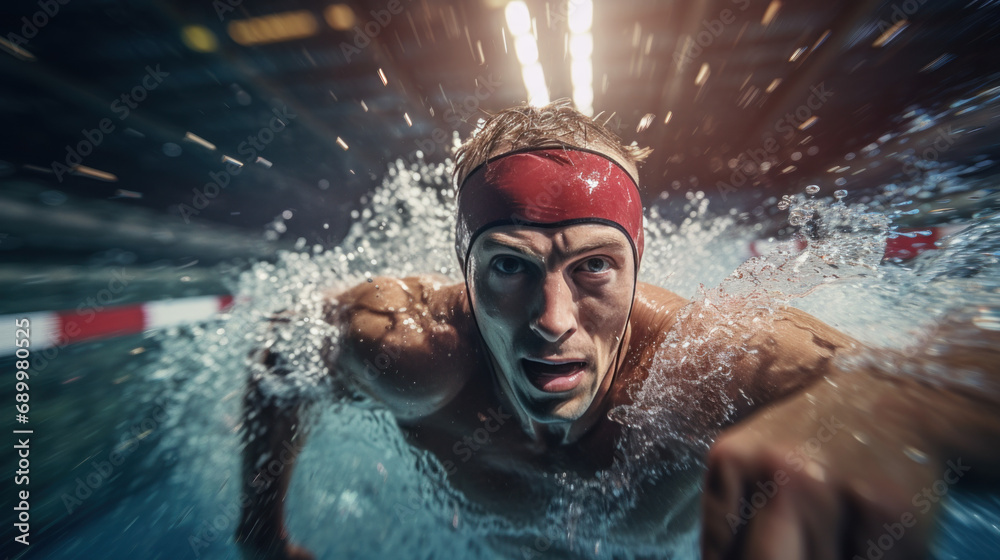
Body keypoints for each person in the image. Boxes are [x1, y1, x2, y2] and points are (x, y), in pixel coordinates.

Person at [235, 100, 1000, 560]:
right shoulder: (410, 347)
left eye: (594, 268)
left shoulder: (705, 362)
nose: (551, 322)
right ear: (464, 273)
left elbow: (947, 383)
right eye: (509, 268)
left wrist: (892, 409)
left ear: (637, 269)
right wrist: (260, 529)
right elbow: (282, 352)